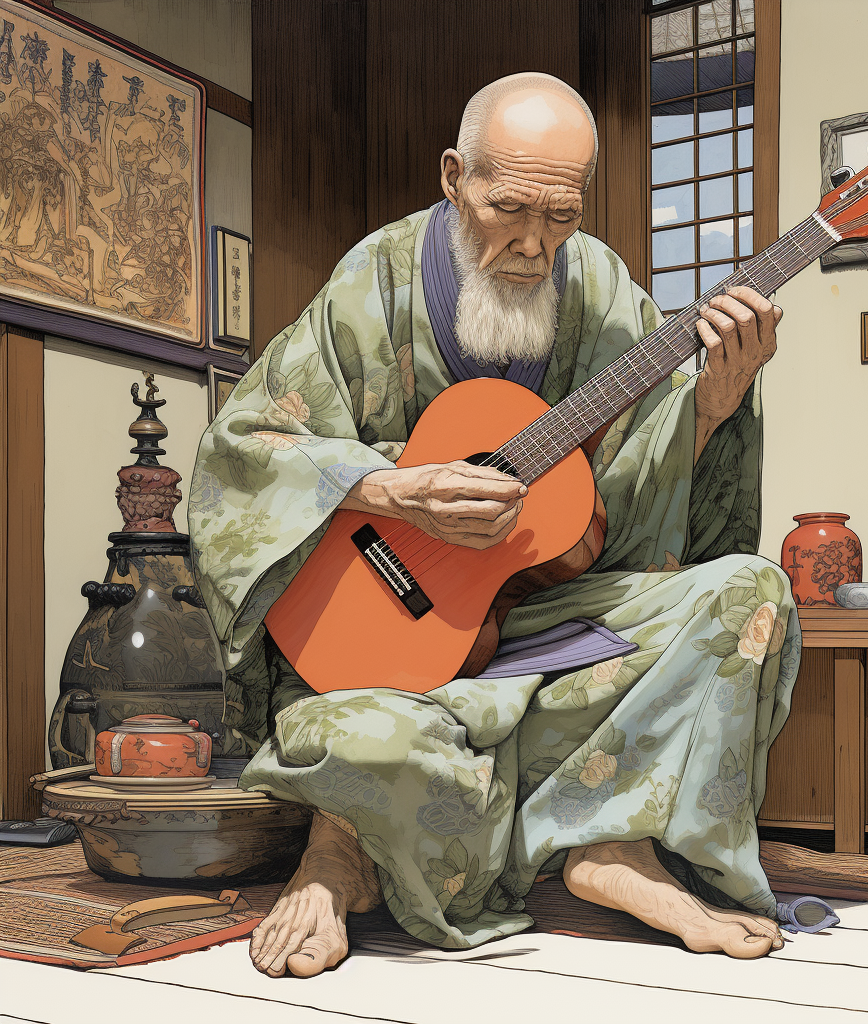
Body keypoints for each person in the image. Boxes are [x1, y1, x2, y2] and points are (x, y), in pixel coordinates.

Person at [188, 72, 800, 980]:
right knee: (361, 737)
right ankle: (339, 853)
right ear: (453, 177)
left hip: (546, 619)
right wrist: (387, 490)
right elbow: (244, 451)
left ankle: (612, 843)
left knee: (751, 594)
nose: (532, 243)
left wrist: (710, 406)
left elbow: (637, 506)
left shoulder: (600, 289)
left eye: (559, 215)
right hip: (395, 646)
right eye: (507, 207)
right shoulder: (375, 285)